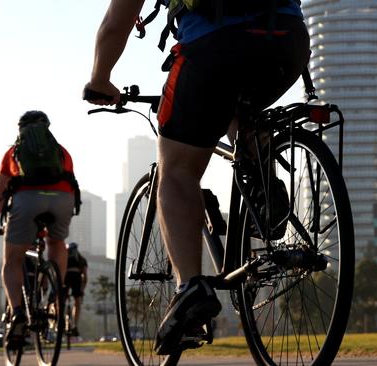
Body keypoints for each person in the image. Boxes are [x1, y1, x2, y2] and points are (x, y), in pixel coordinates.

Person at [84, 0, 309, 355]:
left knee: (176, 170)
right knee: (240, 106)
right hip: (288, 41)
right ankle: (264, 184)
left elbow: (116, 22)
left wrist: (100, 79)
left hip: (212, 49)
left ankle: (189, 286)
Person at [0, 110, 79, 344]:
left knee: (12, 261)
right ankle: (56, 288)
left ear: (20, 129)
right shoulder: (61, 152)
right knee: (56, 242)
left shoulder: (13, 153)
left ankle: (18, 313)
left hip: (27, 201)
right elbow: (71, 182)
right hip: (63, 200)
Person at [64, 242, 88, 336]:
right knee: (77, 302)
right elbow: (85, 277)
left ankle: (58, 321)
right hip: (76, 279)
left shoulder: (64, 257)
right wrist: (82, 290)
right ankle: (74, 325)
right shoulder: (81, 259)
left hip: (65, 278)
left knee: (59, 299)